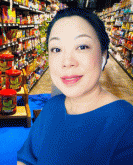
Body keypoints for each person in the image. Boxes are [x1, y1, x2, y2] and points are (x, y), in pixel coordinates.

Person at [17, 7, 133, 165]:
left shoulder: (126, 124)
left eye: (82, 47)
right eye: (56, 49)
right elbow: (27, 159)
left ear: (104, 55)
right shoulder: (52, 107)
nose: (67, 62)